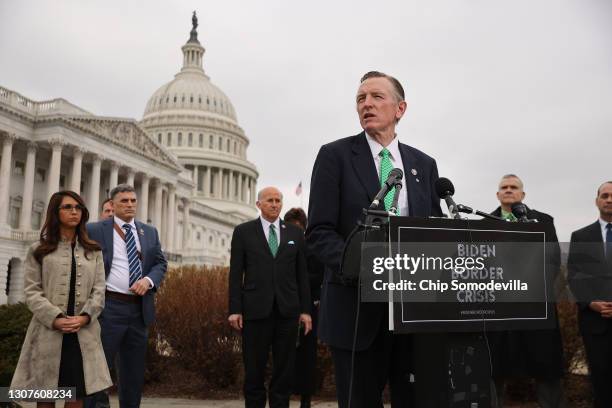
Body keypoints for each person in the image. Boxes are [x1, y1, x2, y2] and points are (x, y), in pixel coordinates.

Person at [306, 71, 442, 407]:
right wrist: (365, 266)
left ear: (400, 108)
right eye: (360, 98)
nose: (366, 104)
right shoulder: (334, 156)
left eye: (376, 97)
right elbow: (320, 233)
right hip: (355, 311)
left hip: (412, 313)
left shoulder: (424, 165)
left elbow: (434, 232)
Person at [10, 191, 111, 408]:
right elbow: (32, 291)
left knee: (75, 397)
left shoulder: (94, 251)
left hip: (82, 336)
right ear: (55, 213)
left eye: (78, 207)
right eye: (67, 207)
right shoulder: (38, 249)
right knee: (45, 397)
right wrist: (55, 318)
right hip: (47, 334)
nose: (74, 211)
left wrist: (84, 317)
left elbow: (100, 291)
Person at [228, 187, 312, 408]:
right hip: (255, 312)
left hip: (287, 312)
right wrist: (234, 309)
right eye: (269, 200)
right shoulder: (243, 232)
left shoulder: (295, 234)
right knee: (254, 373)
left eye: (278, 200)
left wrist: (305, 311)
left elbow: (302, 276)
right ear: (259, 204)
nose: (275, 204)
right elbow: (236, 273)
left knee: (284, 373)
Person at [86, 184, 167, 408]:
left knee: (133, 372)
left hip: (139, 310)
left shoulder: (149, 232)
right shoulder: (95, 229)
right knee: (99, 369)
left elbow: (160, 262)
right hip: (108, 307)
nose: (130, 205)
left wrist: (148, 281)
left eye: (133, 200)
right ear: (112, 204)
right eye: (124, 201)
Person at [490, 174, 566, 407]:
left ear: (523, 194)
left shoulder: (543, 221)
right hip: (499, 310)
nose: (509, 190)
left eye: (514, 187)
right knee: (493, 370)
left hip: (536, 306)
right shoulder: (485, 223)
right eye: (504, 187)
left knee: (548, 369)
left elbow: (552, 261)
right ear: (498, 194)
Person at [567, 181, 612, 408]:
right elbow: (574, 277)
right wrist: (591, 303)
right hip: (595, 323)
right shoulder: (581, 237)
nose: (609, 199)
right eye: (604, 195)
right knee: (601, 382)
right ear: (597, 201)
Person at [284, 207, 324, 408]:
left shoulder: (312, 248)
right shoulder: (281, 247)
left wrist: (298, 280)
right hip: (285, 307)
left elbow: (318, 276)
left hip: (309, 308)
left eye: (298, 229)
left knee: (307, 358)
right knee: (284, 355)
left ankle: (305, 401)